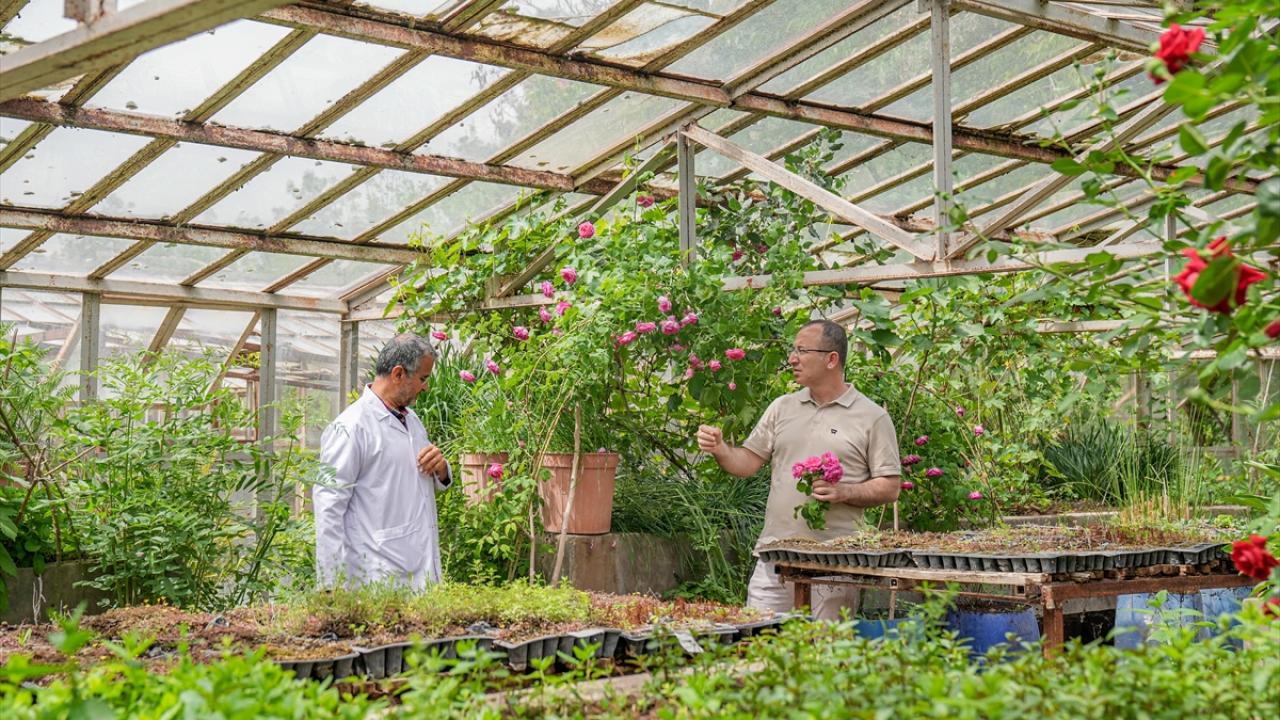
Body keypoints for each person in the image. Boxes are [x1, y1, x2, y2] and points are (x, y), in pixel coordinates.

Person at [696, 319, 901, 619]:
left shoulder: (872, 417)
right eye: (793, 350)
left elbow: (890, 485)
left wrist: (845, 492)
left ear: (832, 359)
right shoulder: (782, 407)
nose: (792, 358)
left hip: (836, 561)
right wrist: (721, 449)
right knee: (761, 644)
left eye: (802, 350)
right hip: (775, 556)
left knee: (824, 653)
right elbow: (746, 463)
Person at [314, 334, 453, 589]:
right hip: (377, 577)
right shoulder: (350, 428)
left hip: (419, 571)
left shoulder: (411, 420)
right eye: (423, 379)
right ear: (398, 374)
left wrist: (441, 470)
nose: (425, 387)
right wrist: (329, 586)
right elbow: (328, 508)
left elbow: (413, 482)